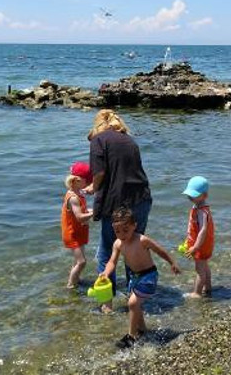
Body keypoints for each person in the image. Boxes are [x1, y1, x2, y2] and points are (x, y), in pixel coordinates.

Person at [85, 110, 152, 313]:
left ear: (97, 126)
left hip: (117, 202)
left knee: (107, 250)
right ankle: (136, 297)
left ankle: (106, 304)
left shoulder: (98, 140)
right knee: (133, 246)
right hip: (142, 198)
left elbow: (100, 173)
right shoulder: (128, 140)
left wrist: (93, 188)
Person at [99, 207, 180, 349]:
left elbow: (159, 250)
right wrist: (106, 273)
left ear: (134, 226)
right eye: (117, 231)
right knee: (135, 305)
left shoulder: (142, 240)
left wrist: (172, 262)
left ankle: (131, 337)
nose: (122, 234)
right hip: (134, 277)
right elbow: (112, 262)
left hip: (149, 276)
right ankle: (143, 331)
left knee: (132, 304)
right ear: (113, 228)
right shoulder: (118, 244)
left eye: (126, 230)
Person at [181, 176, 215, 299]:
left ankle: (197, 293)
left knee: (199, 269)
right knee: (205, 266)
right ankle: (208, 287)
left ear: (204, 195)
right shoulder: (199, 207)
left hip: (201, 245)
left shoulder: (201, 211)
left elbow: (203, 230)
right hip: (204, 244)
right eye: (189, 194)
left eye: (193, 195)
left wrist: (195, 247)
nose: (190, 197)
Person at [61, 162, 93, 288]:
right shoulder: (73, 198)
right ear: (77, 181)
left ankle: (76, 279)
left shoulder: (78, 193)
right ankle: (70, 285)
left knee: (77, 260)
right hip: (72, 233)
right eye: (87, 181)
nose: (89, 183)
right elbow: (79, 217)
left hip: (79, 231)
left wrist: (89, 211)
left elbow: (81, 211)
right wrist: (95, 212)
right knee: (82, 262)